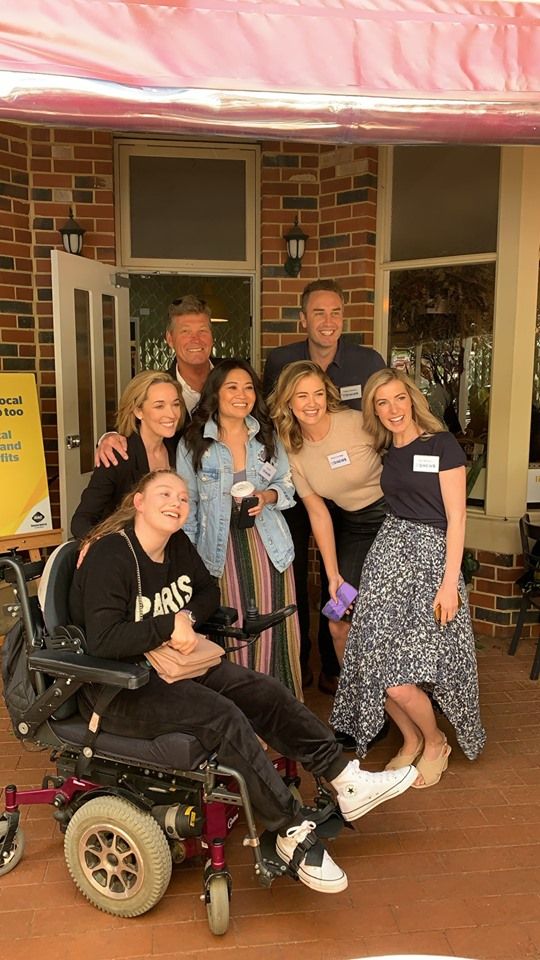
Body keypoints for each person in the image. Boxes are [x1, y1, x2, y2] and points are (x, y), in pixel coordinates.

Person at [69, 469, 417, 894]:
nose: (177, 503)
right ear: (138, 502)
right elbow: (102, 640)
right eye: (165, 494)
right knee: (221, 717)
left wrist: (185, 619)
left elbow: (206, 593)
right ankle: (290, 831)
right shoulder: (111, 556)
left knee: (263, 691)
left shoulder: (175, 544)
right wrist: (168, 626)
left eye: (183, 498)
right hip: (119, 688)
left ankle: (344, 778)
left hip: (172, 663)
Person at [331, 368, 486, 788]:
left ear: (412, 400)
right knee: (370, 659)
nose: (392, 409)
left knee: (400, 677)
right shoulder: (386, 450)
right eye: (381, 402)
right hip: (388, 560)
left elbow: (457, 518)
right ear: (374, 410)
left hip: (432, 562)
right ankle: (412, 738)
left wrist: (449, 583)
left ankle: (435, 742)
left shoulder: (441, 444)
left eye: (399, 398)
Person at [263, 279, 385, 694]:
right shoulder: (281, 360)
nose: (328, 321)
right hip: (309, 486)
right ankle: (300, 664)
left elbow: (393, 425)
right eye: (319, 312)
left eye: (335, 312)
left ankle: (338, 670)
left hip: (363, 504)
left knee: (356, 589)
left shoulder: (366, 362)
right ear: (303, 319)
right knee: (300, 572)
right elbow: (266, 421)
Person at [176, 360, 302, 696]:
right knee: (232, 627)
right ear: (215, 393)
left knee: (271, 625)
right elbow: (187, 506)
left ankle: (279, 709)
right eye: (232, 387)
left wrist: (267, 496)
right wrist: (187, 564)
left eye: (248, 388)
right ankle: (238, 711)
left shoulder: (267, 436)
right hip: (217, 550)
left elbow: (286, 485)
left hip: (268, 545)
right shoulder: (194, 442)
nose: (241, 395)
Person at [269, 360, 386, 667]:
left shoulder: (357, 422)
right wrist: (333, 575)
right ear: (288, 402)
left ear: (327, 395)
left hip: (395, 520)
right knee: (338, 619)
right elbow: (318, 513)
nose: (312, 403)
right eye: (302, 395)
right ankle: (355, 692)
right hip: (355, 528)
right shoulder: (290, 447)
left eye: (318, 394)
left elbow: (401, 453)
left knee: (388, 618)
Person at [95, 295, 219, 468]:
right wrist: (108, 437)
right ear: (170, 339)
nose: (195, 339)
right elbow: (131, 425)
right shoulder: (159, 386)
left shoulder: (234, 376)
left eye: (202, 331)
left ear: (212, 336)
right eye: (185, 332)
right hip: (177, 481)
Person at [71, 370, 184, 540]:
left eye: (175, 404)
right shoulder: (118, 454)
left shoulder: (178, 447)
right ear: (138, 411)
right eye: (159, 406)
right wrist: (102, 546)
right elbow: (81, 520)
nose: (172, 414)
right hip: (122, 548)